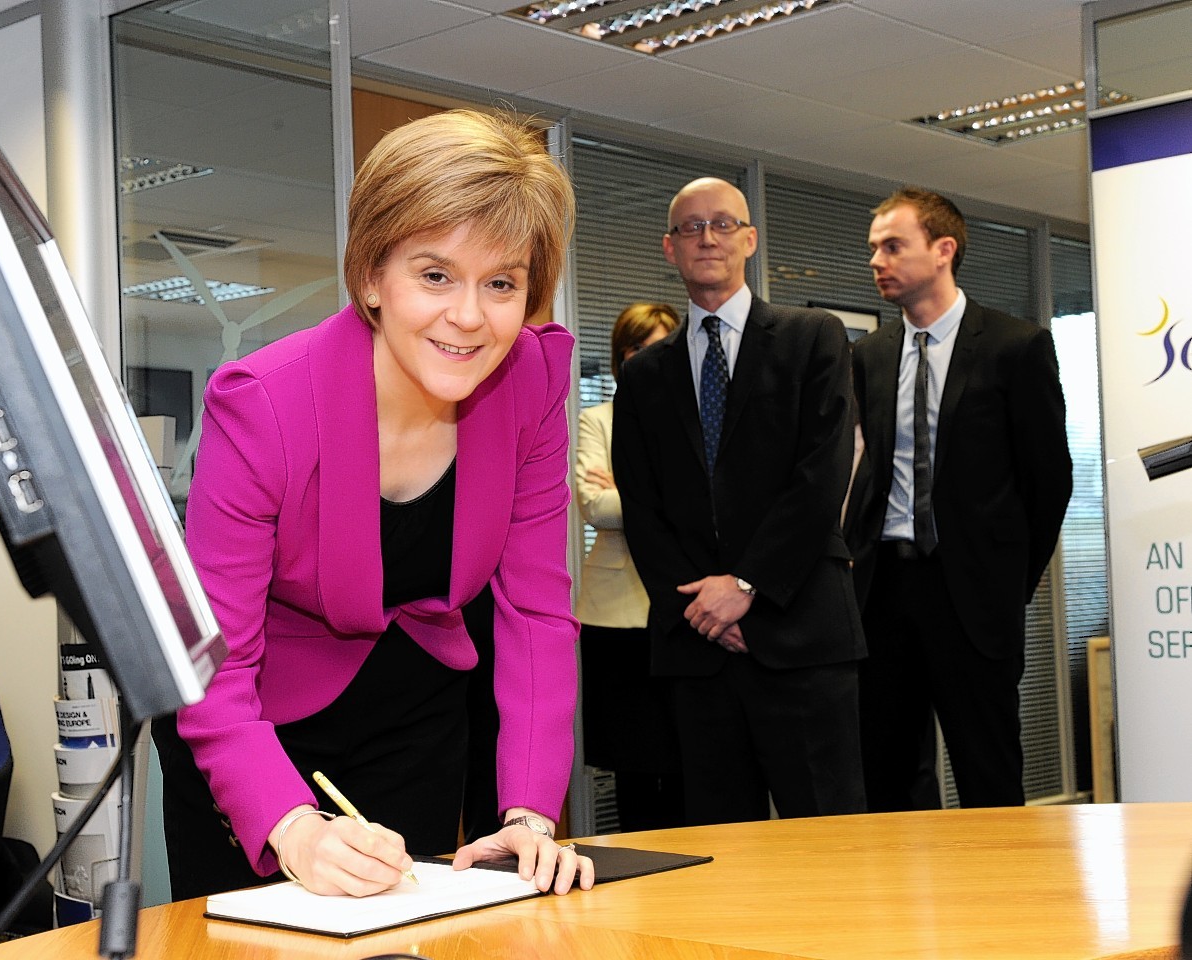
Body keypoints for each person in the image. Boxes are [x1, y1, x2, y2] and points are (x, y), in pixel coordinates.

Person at [153, 108, 594, 899]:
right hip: (252, 718)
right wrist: (290, 825)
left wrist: (530, 817)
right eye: (435, 275)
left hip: (415, 700)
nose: (468, 316)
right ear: (370, 277)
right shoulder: (264, 406)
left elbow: (535, 611)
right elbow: (215, 662)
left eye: (501, 284)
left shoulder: (530, 379)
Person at [611, 177, 867, 825]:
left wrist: (749, 585)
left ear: (749, 239)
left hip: (802, 633)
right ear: (669, 248)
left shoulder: (815, 337)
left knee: (831, 840)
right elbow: (641, 508)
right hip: (698, 650)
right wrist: (705, 609)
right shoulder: (644, 376)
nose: (707, 238)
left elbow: (822, 474)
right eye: (690, 227)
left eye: (722, 224)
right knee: (724, 850)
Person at [844, 186, 1072, 811]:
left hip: (971, 592)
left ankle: (1004, 903)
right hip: (885, 592)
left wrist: (1007, 582)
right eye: (873, 249)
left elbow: (1048, 482)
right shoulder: (870, 355)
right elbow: (868, 476)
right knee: (886, 772)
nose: (877, 261)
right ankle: (904, 904)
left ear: (943, 250)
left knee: (987, 771)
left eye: (893, 246)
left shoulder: (1014, 346)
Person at [575, 302, 684, 832]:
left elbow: (714, 508)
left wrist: (630, 490)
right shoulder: (598, 418)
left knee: (693, 757)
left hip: (690, 609)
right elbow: (597, 508)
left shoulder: (696, 420)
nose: (647, 358)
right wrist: (668, 497)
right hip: (614, 616)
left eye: (660, 346)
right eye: (636, 349)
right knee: (633, 762)